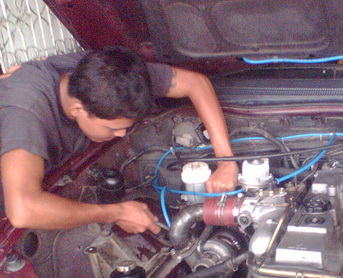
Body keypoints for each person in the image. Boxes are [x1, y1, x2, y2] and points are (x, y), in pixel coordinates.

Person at [0, 47, 238, 235]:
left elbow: (196, 83)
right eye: (113, 128)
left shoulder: (109, 75)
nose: (123, 135)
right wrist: (117, 212)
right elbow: (23, 211)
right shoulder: (26, 112)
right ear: (77, 109)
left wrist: (226, 161)